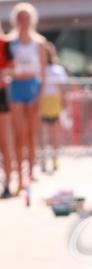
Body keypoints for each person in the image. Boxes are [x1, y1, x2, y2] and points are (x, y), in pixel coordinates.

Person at [7, 2, 46, 195]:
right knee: (18, 135)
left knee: (31, 135)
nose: (24, 21)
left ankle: (30, 174)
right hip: (16, 88)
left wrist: (39, 94)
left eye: (27, 17)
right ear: (16, 20)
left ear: (32, 20)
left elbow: (43, 73)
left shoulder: (39, 43)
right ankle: (18, 176)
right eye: (20, 18)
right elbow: (7, 68)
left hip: (33, 88)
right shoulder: (10, 42)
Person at [39, 41, 66, 173]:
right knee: (48, 134)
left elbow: (62, 90)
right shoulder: (41, 69)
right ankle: (47, 160)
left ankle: (52, 160)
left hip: (50, 101)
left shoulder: (56, 70)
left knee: (50, 134)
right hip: (45, 102)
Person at [0, 25, 14, 199]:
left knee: (4, 142)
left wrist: (3, 77)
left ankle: (8, 183)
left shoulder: (5, 43)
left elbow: (12, 66)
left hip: (2, 95)